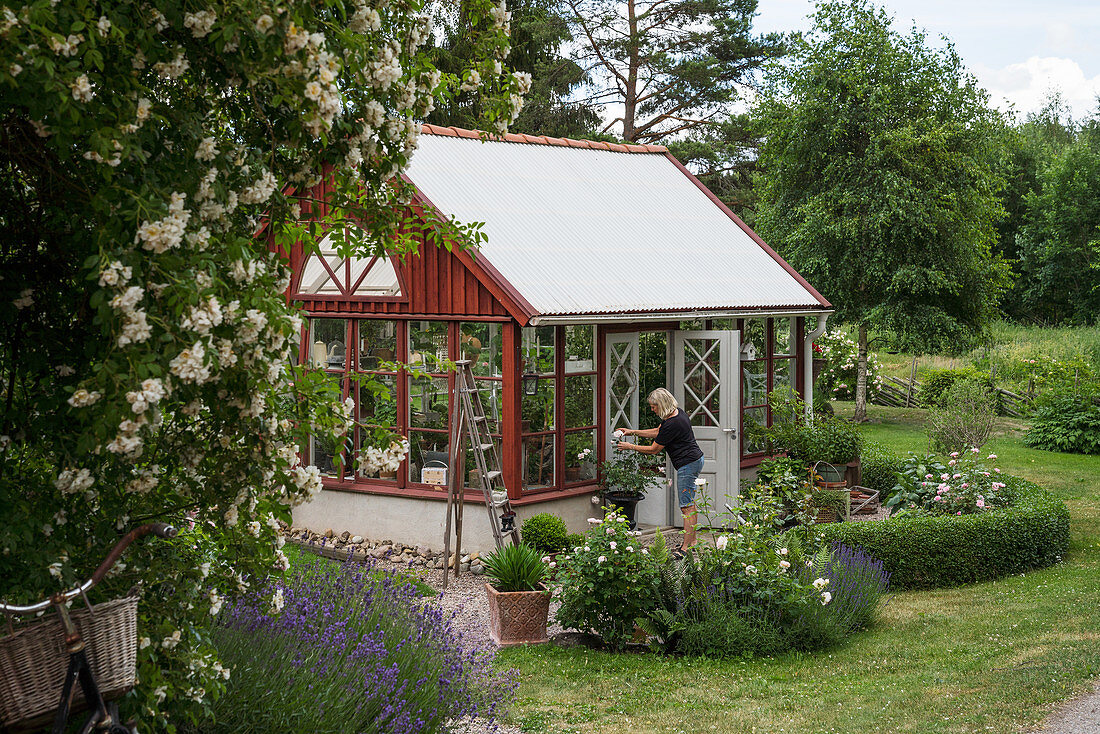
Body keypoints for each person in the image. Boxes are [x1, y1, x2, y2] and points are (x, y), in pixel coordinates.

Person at [617, 387, 704, 556]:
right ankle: (692, 542)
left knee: (686, 507)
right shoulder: (675, 413)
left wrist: (630, 446)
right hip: (693, 460)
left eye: (653, 406)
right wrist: (632, 431)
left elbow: (654, 449)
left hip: (688, 464)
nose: (652, 409)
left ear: (661, 404)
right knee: (690, 505)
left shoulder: (673, 423)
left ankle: (685, 549)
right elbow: (658, 432)